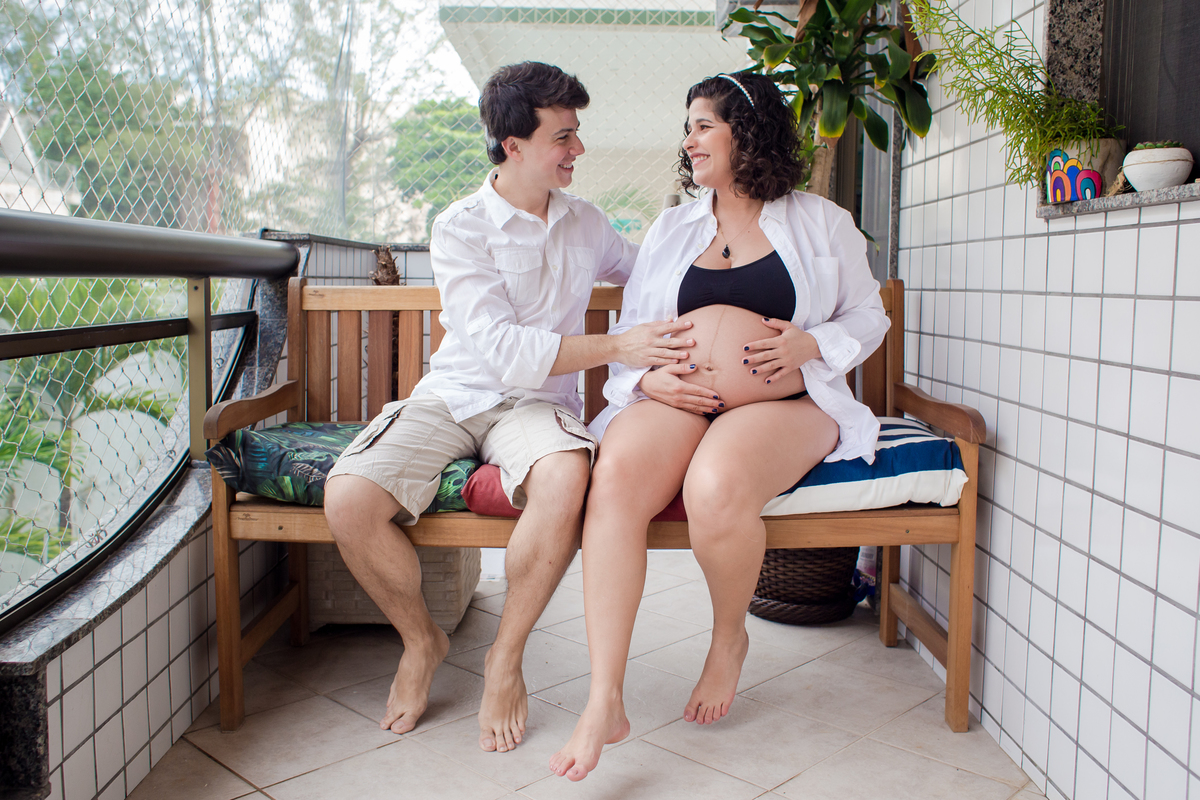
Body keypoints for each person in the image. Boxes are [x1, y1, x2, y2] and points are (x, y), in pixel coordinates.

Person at [323, 61, 695, 754]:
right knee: (347, 501)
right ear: (512, 145)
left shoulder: (587, 223)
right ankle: (421, 642)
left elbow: (654, 271)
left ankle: (505, 657)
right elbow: (496, 348)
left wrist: (730, 252)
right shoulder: (459, 227)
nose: (577, 150)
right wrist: (618, 344)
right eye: (564, 136)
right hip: (456, 393)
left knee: (564, 479)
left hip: (534, 408)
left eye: (576, 133)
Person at [549, 71, 890, 781]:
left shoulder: (820, 220)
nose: (689, 139)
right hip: (677, 398)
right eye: (689, 126)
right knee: (612, 484)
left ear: (749, 129)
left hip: (785, 404)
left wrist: (812, 345)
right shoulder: (674, 226)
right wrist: (648, 379)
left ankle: (728, 638)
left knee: (715, 487)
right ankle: (604, 695)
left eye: (704, 124)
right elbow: (636, 329)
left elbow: (868, 314)